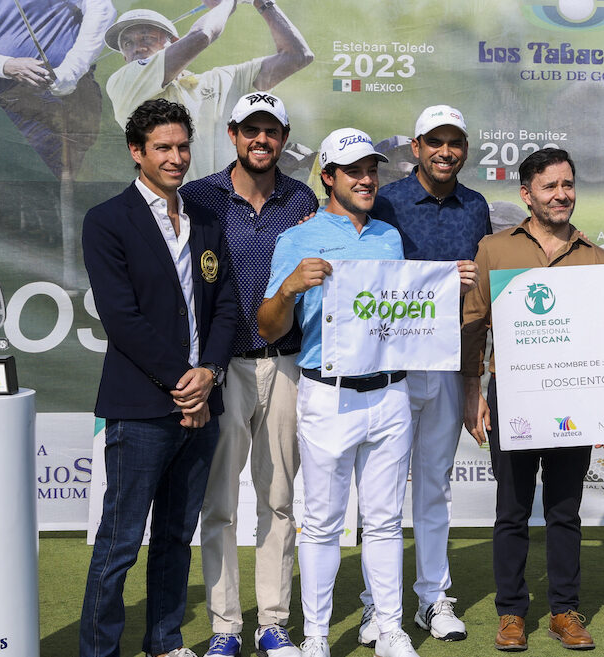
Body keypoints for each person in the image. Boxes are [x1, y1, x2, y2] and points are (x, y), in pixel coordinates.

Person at [79, 99, 236, 657]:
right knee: (120, 543)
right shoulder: (107, 220)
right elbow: (121, 318)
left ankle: (165, 642)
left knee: (175, 536)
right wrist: (184, 382)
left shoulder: (207, 218)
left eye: (183, 146)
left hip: (203, 405)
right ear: (136, 152)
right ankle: (99, 651)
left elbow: (226, 307)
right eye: (163, 148)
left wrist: (209, 375)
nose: (176, 158)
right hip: (142, 407)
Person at [256, 128, 411, 657]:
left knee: (385, 521)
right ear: (328, 177)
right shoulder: (296, 240)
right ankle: (317, 637)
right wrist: (289, 287)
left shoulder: (390, 237)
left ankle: (389, 629)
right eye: (353, 171)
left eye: (371, 170)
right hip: (328, 392)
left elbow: (404, 316)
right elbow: (270, 327)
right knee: (322, 525)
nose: (366, 180)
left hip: (390, 392)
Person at [180, 92, 317, 657]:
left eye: (272, 131)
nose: (262, 140)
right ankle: (225, 627)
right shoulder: (198, 196)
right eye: (251, 130)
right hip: (223, 366)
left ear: (283, 138)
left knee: (279, 498)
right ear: (233, 133)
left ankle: (274, 623)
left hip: (286, 362)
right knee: (219, 503)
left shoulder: (303, 197)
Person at [462, 147, 604, 652]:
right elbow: (473, 326)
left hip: (573, 400)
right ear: (527, 195)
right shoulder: (494, 249)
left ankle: (565, 611)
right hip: (512, 396)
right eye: (550, 187)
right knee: (512, 510)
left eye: (568, 184)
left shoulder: (597, 257)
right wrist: (473, 392)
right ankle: (511, 613)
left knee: (565, 511)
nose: (562, 195)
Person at [358, 104, 491, 646]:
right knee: (382, 491)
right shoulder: (385, 201)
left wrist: (474, 378)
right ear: (415, 148)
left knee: (434, 485)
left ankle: (434, 596)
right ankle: (377, 605)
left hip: (447, 364)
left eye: (454, 142)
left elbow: (478, 300)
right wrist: (435, 279)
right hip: (391, 365)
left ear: (465, 149)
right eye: (434, 141)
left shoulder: (476, 206)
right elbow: (372, 279)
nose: (445, 151)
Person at [104, 0, 312, 181]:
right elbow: (202, 35)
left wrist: (263, 3)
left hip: (238, 207)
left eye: (147, 38)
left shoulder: (224, 78)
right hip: (179, 209)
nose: (137, 48)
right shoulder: (122, 83)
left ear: (174, 43)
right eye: (127, 43)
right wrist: (227, 3)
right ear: (124, 56)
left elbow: (298, 56)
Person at [0, 0, 115, 178]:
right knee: (23, 179)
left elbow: (100, 8)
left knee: (61, 177)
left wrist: (72, 68)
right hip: (15, 103)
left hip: (72, 92)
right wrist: (7, 65)